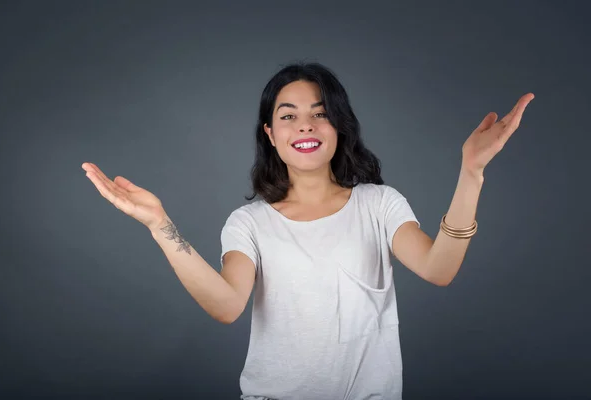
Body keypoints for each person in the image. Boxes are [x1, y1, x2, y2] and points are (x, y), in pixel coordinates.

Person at [82, 62, 534, 399]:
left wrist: (470, 172)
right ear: (271, 133)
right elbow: (225, 306)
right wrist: (161, 225)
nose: (305, 125)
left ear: (339, 126)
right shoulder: (249, 223)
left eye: (320, 113)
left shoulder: (380, 204)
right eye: (288, 115)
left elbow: (439, 269)